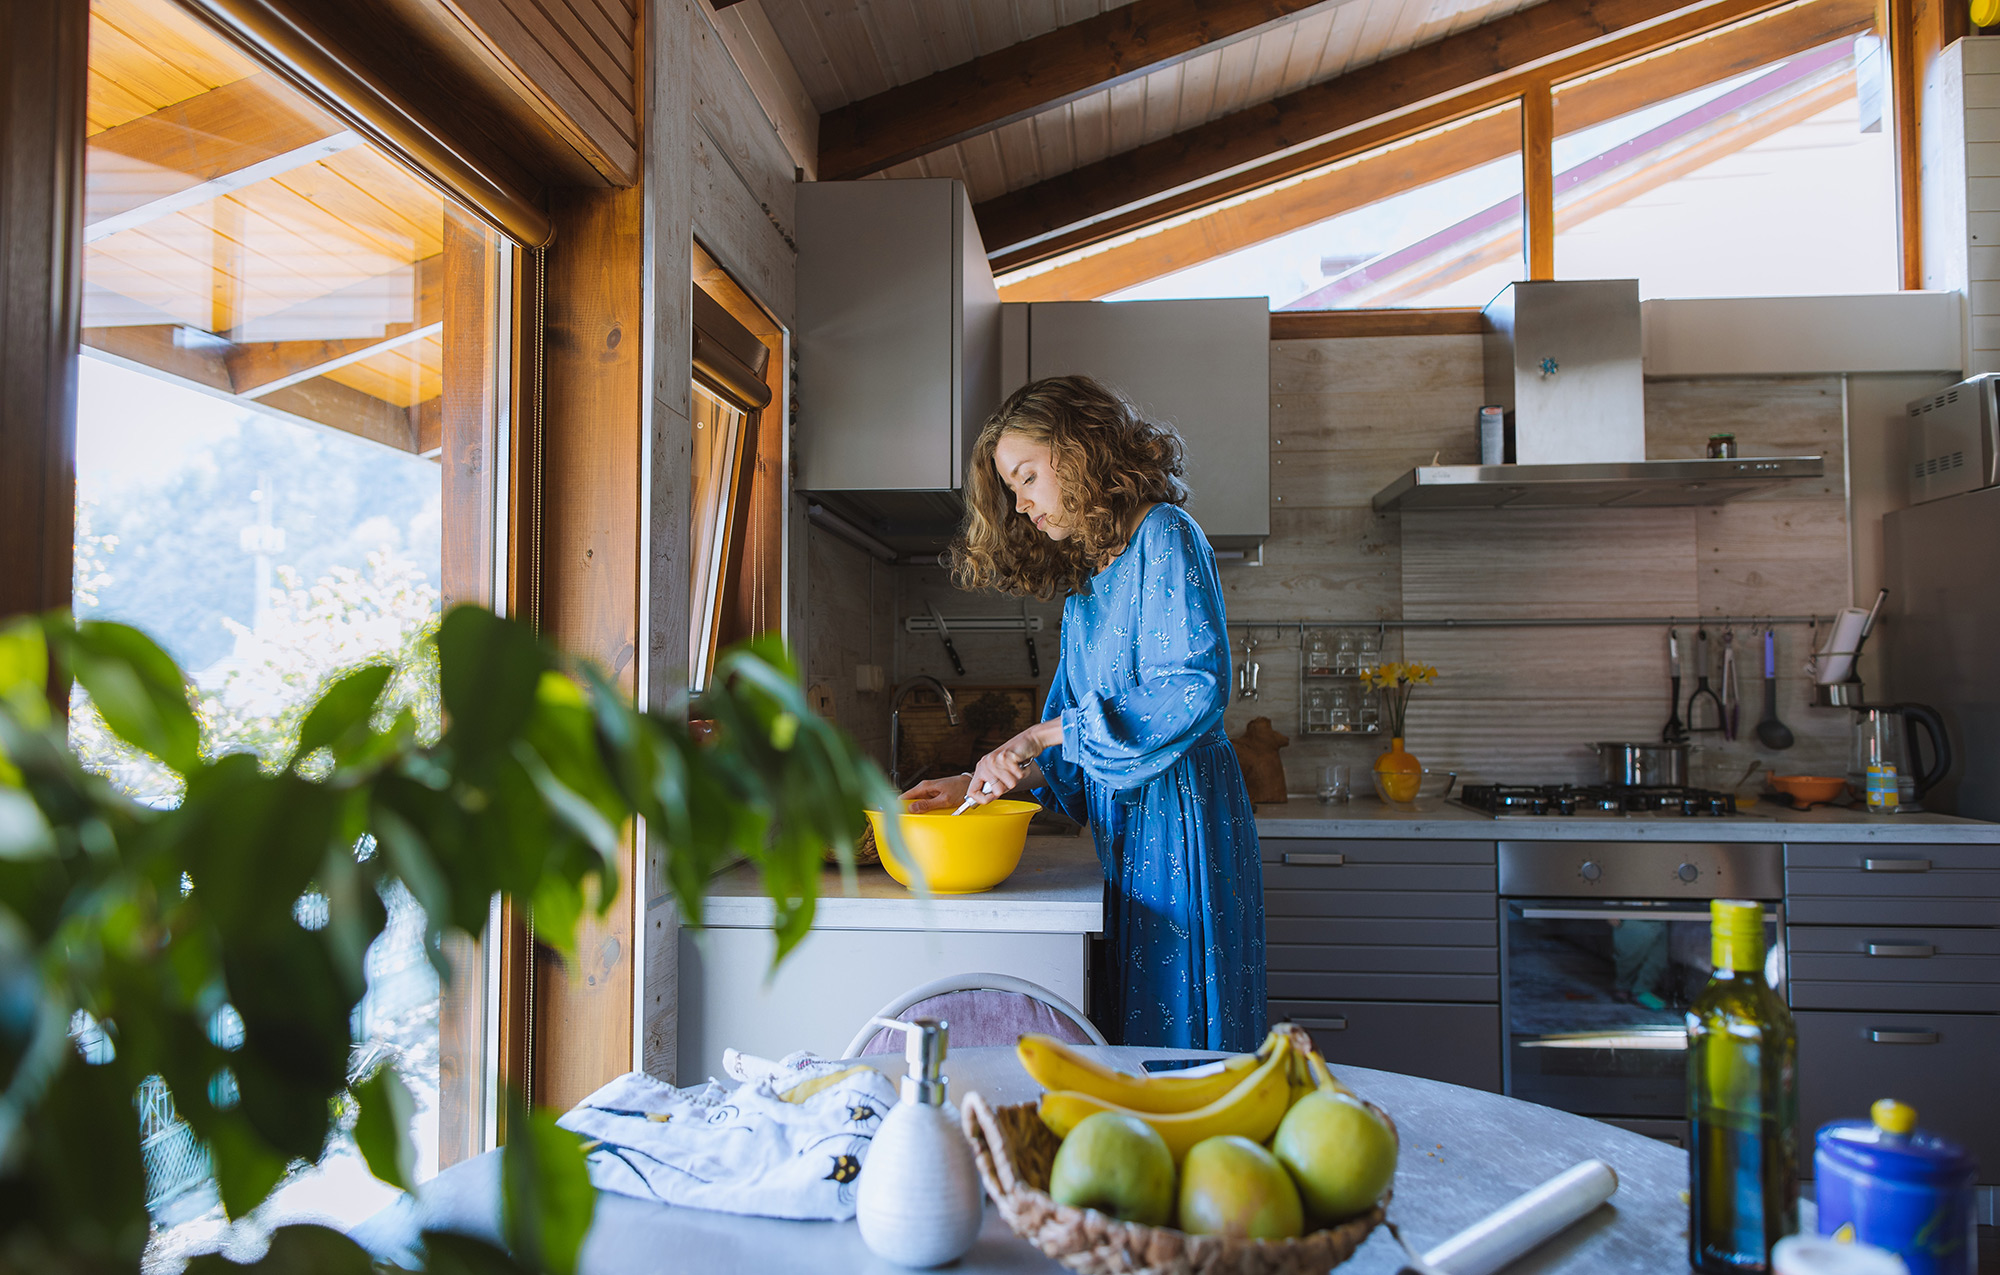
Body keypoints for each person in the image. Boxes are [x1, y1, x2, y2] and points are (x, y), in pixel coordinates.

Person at [901, 376, 1266, 1052]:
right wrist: (976, 781)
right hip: (1129, 837)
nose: (1022, 503)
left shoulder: (1166, 534)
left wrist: (1037, 731)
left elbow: (1193, 687)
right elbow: (1073, 745)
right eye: (1012, 489)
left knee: (1187, 1027)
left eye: (1028, 476)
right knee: (1139, 1026)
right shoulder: (1087, 590)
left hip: (1184, 827)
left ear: (1079, 449)